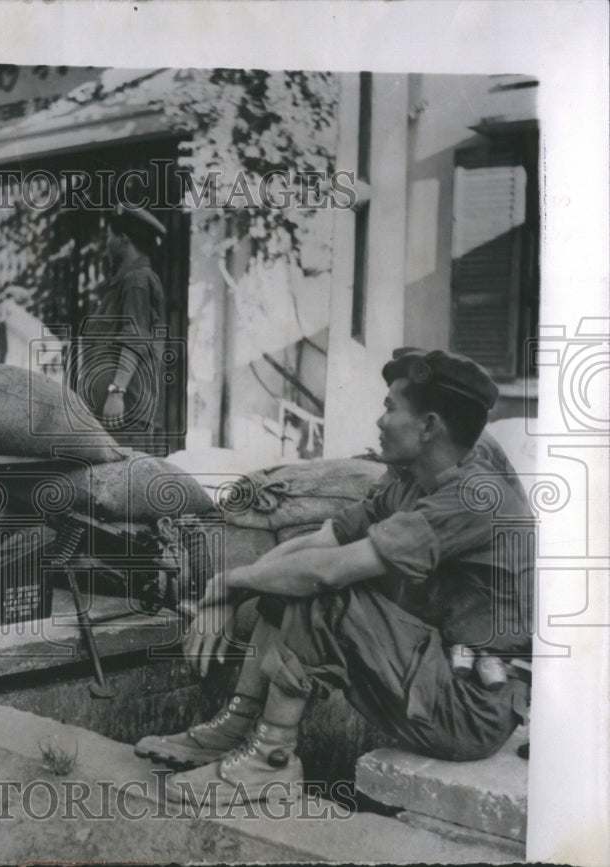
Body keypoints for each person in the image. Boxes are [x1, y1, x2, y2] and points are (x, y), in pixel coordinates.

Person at [135, 348, 533, 807]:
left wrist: (230, 585)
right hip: (433, 678)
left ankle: (271, 761)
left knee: (321, 589)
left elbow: (327, 573)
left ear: (428, 427)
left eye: (389, 409)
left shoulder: (474, 496)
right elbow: (322, 541)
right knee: (289, 575)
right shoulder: (413, 478)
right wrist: (235, 583)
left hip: (469, 711)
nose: (380, 422)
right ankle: (241, 725)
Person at [78, 204, 168, 447]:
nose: (107, 244)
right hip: (114, 414)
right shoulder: (125, 282)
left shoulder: (136, 281)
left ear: (123, 240)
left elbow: (135, 338)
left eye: (109, 236)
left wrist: (117, 391)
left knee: (125, 482)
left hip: (123, 413)